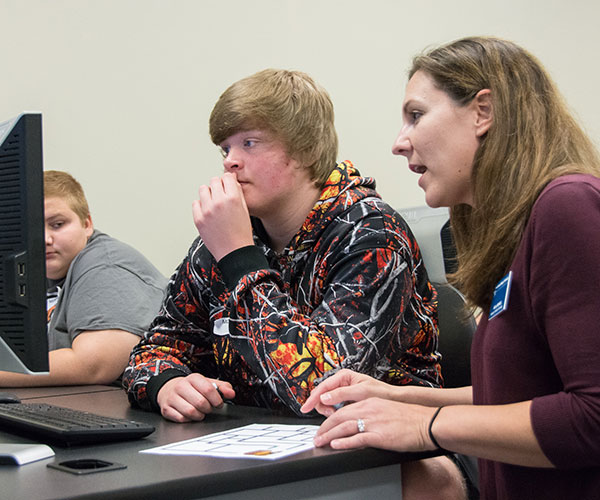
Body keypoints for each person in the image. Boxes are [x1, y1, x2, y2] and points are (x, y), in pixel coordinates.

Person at [301, 36, 600, 500]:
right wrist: (397, 398)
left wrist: (426, 425)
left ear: (484, 111)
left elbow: (592, 416)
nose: (400, 143)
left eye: (416, 115)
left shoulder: (568, 206)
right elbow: (518, 398)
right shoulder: (519, 228)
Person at [123, 69, 442, 423]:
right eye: (225, 148)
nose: (230, 160)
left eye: (250, 143)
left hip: (383, 449)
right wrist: (167, 384)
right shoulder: (225, 240)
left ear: (304, 150)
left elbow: (322, 392)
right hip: (262, 443)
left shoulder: (372, 235)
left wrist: (240, 259)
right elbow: (153, 350)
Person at [0, 170, 167, 387]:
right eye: (31, 228)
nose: (45, 239)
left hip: (124, 412)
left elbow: (95, 365)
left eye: (57, 224)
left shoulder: (106, 265)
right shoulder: (35, 274)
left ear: (87, 224)